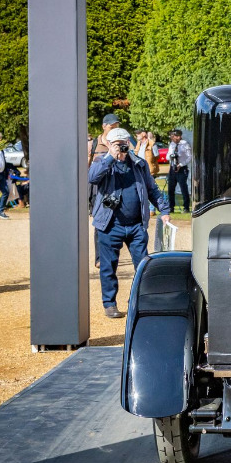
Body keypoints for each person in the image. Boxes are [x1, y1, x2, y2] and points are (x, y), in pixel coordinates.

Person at [89, 128, 171, 319]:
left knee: (143, 266)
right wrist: (111, 156)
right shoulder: (101, 162)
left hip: (136, 226)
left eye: (124, 142)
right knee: (108, 267)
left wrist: (164, 210)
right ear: (109, 144)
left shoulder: (139, 164)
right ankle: (110, 304)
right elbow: (92, 178)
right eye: (117, 143)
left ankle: (139, 302)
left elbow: (152, 189)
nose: (121, 147)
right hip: (110, 224)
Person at [166, 129, 192, 213]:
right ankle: (171, 207)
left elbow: (189, 157)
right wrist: (171, 156)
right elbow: (167, 156)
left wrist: (181, 164)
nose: (172, 138)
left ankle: (186, 207)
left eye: (173, 136)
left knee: (183, 188)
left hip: (181, 168)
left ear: (178, 136)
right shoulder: (172, 144)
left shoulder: (185, 144)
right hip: (173, 167)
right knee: (171, 188)